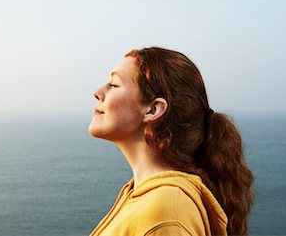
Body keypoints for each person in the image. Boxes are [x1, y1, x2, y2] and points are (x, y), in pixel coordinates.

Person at [88, 47, 254, 236]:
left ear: (152, 110)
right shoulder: (144, 196)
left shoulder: (167, 211)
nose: (97, 92)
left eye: (114, 84)